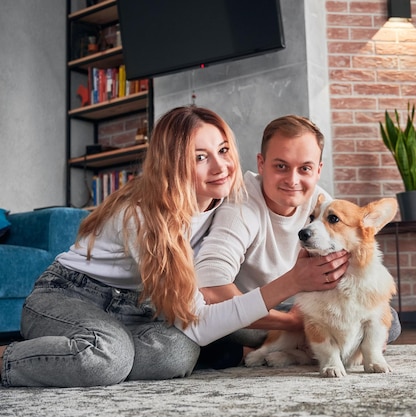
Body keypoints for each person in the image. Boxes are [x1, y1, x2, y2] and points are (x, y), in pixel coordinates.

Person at [0, 106, 348, 388]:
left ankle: (101, 351)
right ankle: (11, 359)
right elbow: (201, 321)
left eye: (223, 150)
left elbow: (195, 316)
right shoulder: (144, 216)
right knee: (108, 358)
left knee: (176, 356)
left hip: (144, 306)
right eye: (200, 157)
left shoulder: (222, 197)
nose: (221, 167)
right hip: (70, 296)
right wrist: (291, 296)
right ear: (174, 162)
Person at [195, 115, 401, 363]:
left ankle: (298, 351)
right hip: (248, 314)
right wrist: (293, 319)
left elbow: (352, 260)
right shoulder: (242, 207)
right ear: (261, 164)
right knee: (226, 329)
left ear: (318, 170)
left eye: (305, 168)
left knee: (387, 317)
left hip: (298, 307)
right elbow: (211, 292)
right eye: (281, 166)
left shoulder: (321, 204)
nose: (293, 181)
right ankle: (257, 350)